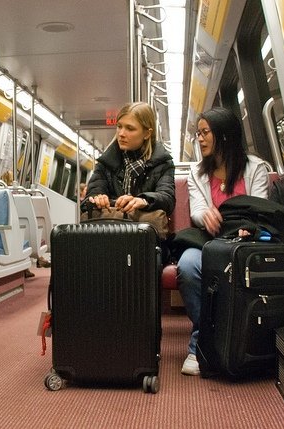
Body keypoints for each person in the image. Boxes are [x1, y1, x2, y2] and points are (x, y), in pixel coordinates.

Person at [177, 107, 270, 376]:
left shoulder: (256, 168)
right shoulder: (197, 172)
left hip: (247, 245)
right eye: (199, 134)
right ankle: (204, 341)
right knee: (187, 266)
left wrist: (247, 228)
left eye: (205, 133)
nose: (201, 139)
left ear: (224, 135)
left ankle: (229, 343)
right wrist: (205, 214)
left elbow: (260, 208)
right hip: (212, 243)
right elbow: (197, 209)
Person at [86, 102, 175, 216]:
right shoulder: (106, 162)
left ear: (147, 134)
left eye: (130, 128)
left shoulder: (163, 163)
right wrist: (98, 199)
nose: (121, 133)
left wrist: (143, 201)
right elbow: (89, 198)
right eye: (119, 126)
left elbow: (167, 199)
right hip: (109, 227)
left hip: (144, 229)